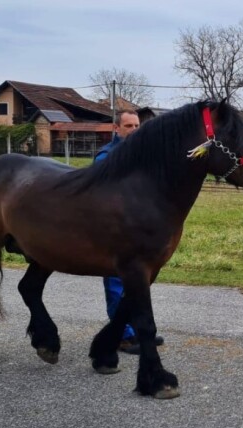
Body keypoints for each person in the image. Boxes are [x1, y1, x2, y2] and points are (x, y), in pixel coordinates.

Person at [95, 110, 164, 354]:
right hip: (113, 232)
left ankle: (136, 331)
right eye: (128, 126)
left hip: (136, 231)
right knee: (116, 283)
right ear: (117, 129)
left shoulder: (142, 155)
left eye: (137, 125)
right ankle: (122, 336)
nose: (134, 130)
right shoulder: (106, 156)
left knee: (136, 284)